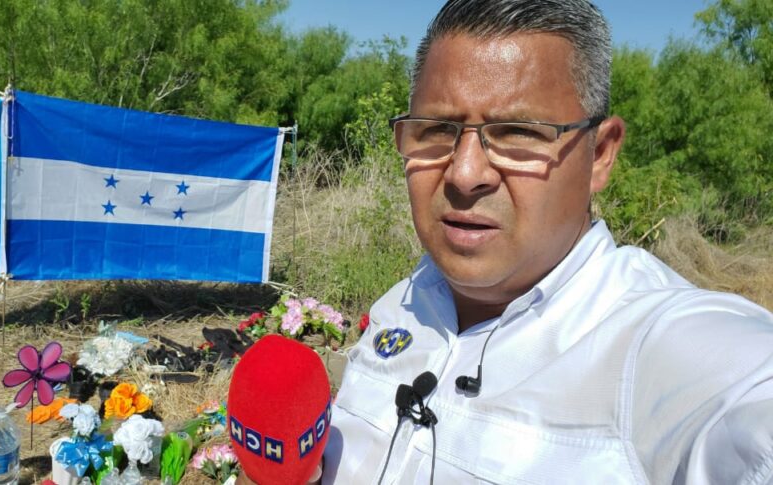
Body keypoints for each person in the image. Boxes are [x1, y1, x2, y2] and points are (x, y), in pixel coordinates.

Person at [318, 1, 773, 484]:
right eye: (437, 130)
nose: (464, 174)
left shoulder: (655, 348)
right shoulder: (407, 301)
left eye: (517, 133)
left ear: (600, 154)